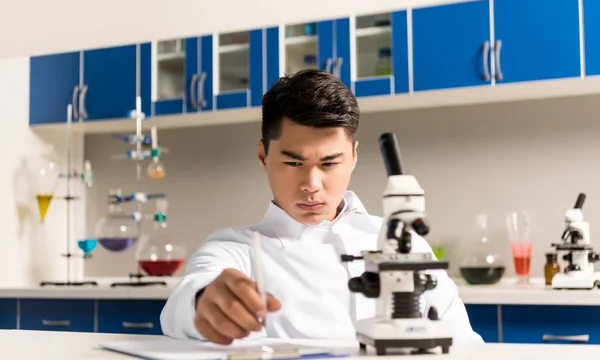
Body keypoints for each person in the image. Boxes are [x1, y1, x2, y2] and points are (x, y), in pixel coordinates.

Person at [160, 69, 483, 345]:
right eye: (292, 161)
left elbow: (464, 343)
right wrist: (202, 303)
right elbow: (183, 303)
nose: (311, 183)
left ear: (353, 156)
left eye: (329, 162)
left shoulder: (401, 243)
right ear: (263, 156)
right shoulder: (235, 248)